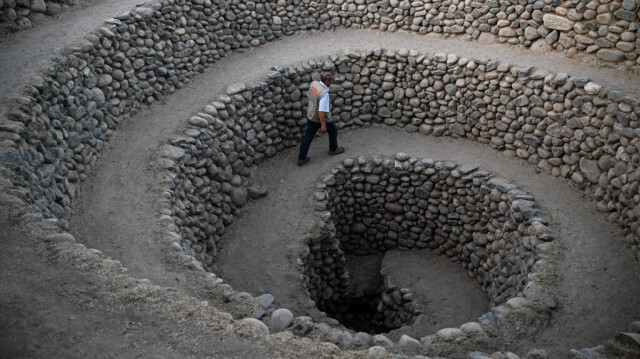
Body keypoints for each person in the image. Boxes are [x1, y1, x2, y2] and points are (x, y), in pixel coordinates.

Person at [297, 71, 345, 166]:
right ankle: (333, 149)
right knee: (333, 130)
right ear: (327, 81)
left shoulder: (314, 84)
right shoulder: (324, 93)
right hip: (320, 118)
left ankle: (301, 158)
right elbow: (322, 111)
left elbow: (309, 95)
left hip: (311, 115)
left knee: (308, 136)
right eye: (331, 81)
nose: (332, 83)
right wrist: (323, 125)